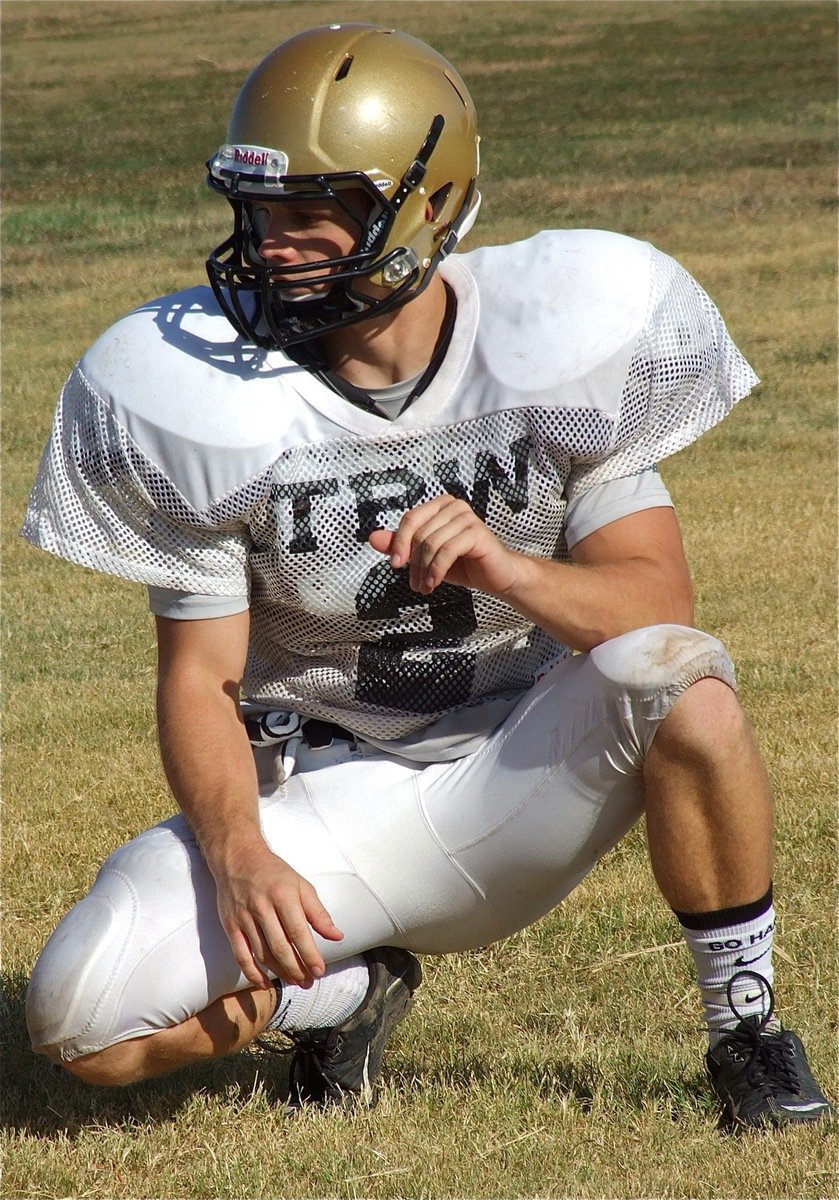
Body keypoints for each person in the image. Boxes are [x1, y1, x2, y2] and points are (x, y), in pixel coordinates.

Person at [22, 23, 833, 1129]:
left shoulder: (558, 336)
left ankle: (744, 1029)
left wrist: (511, 566)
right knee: (80, 1023)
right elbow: (199, 678)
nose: (276, 247)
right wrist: (237, 854)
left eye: (314, 213)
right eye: (259, 214)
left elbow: (656, 611)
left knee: (679, 680)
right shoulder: (193, 397)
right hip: (323, 789)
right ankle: (342, 993)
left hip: (528, 764)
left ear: (426, 208)